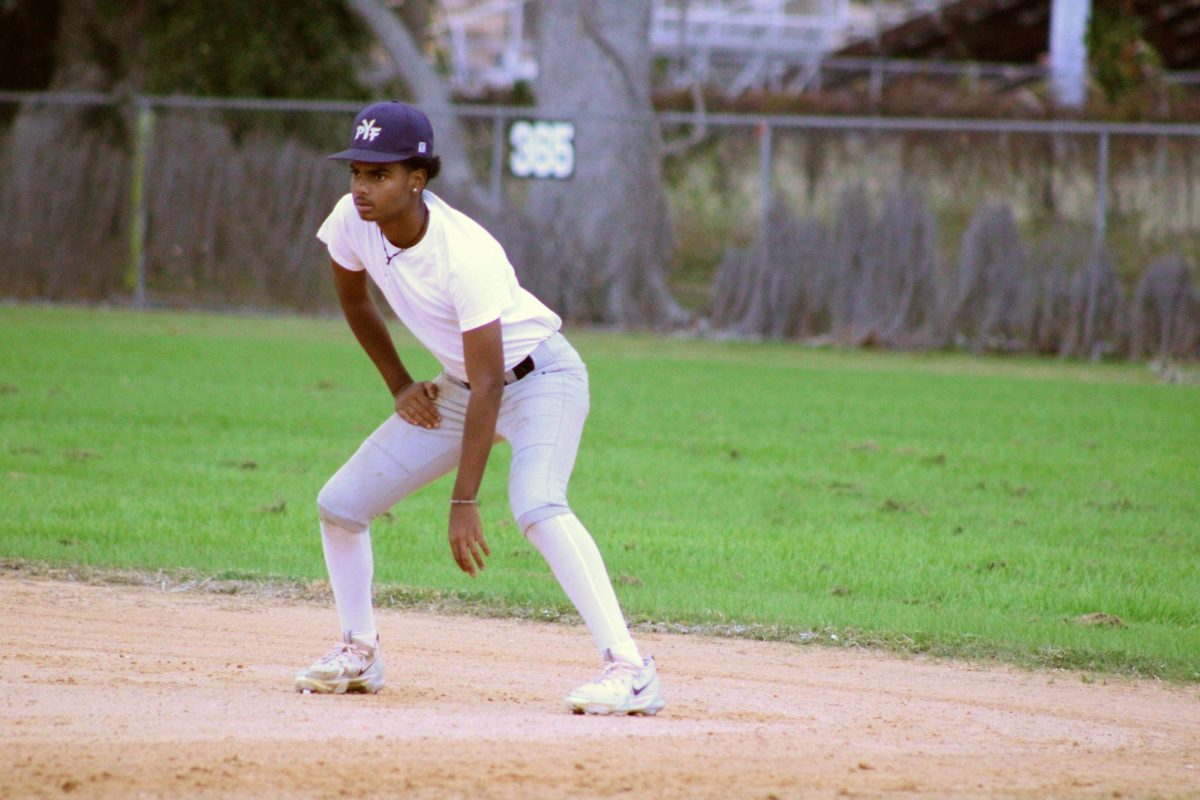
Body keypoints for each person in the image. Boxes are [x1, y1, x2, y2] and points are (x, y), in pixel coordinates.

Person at [293, 101, 665, 716]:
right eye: (357, 171)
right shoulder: (351, 219)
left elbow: (492, 383)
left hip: (541, 378)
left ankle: (631, 669)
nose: (362, 187)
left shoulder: (465, 253)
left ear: (418, 178)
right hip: (466, 385)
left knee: (538, 506)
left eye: (379, 174)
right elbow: (357, 303)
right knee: (339, 506)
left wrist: (464, 501)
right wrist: (400, 384)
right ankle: (360, 653)